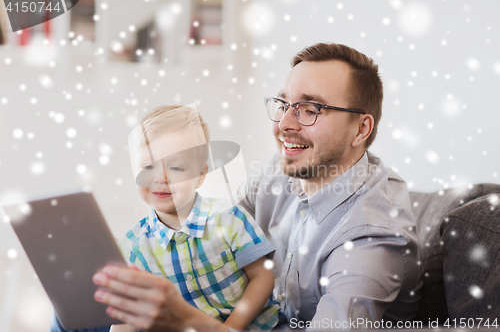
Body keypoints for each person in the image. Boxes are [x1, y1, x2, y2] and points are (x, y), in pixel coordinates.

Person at [91, 43, 422, 331]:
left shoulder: (373, 234)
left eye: (310, 109)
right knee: (81, 315)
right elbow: (217, 232)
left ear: (361, 129)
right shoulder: (282, 171)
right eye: (283, 105)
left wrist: (184, 320)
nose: (284, 125)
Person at [51, 105, 280, 332]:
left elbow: (262, 277)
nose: (160, 178)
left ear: (200, 175)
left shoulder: (229, 218)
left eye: (176, 167)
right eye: (148, 167)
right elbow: (128, 316)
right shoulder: (134, 245)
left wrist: (231, 328)